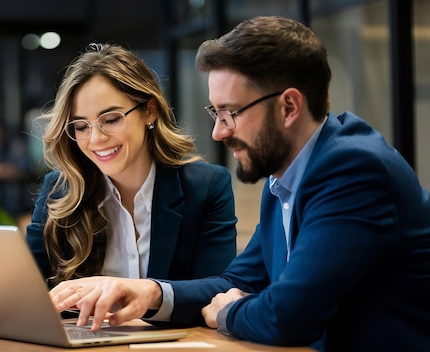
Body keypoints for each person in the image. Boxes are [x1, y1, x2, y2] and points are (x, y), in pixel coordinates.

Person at [48, 17, 430, 351]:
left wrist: (228, 311)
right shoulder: (285, 177)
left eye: (231, 113)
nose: (217, 132)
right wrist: (150, 292)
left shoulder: (352, 169)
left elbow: (286, 315)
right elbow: (238, 280)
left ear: (289, 107)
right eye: (215, 112)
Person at [26, 43, 237, 287]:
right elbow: (29, 289)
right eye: (81, 126)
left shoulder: (205, 187)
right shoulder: (59, 190)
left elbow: (218, 290)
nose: (96, 139)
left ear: (149, 111)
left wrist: (144, 294)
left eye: (111, 119)